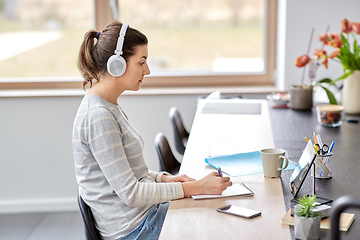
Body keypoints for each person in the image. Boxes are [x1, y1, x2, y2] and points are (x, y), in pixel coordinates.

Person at [73, 21, 232, 240]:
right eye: (141, 62)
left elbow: (130, 173)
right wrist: (195, 188)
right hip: (133, 228)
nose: (147, 70)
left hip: (143, 216)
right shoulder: (98, 116)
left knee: (213, 211)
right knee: (214, 222)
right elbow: (131, 193)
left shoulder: (108, 106)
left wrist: (164, 179)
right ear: (117, 65)